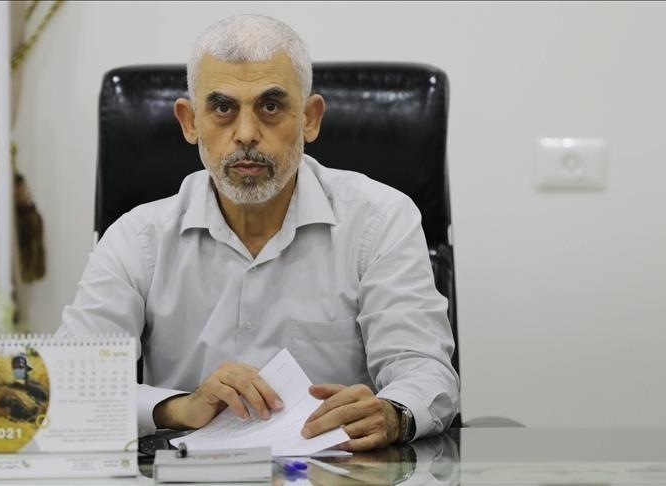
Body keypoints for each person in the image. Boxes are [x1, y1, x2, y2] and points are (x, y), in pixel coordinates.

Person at [58, 13, 459, 451]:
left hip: (339, 472)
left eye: (270, 107)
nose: (246, 134)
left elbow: (425, 371)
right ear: (190, 122)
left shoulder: (380, 220)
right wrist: (177, 407)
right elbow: (66, 386)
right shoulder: (138, 239)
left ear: (310, 118)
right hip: (190, 476)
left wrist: (394, 413)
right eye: (222, 108)